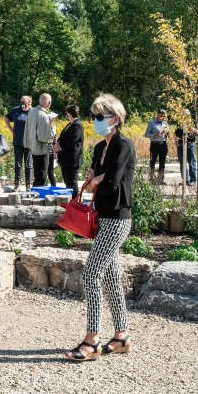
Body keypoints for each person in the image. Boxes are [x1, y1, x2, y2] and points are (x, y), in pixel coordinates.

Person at [65, 94, 136, 361]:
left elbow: (111, 184)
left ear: (115, 118)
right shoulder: (99, 148)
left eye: (98, 116)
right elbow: (96, 178)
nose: (95, 121)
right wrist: (94, 179)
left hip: (117, 218)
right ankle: (122, 336)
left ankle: (92, 339)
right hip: (102, 216)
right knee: (109, 277)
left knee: (91, 274)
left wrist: (98, 180)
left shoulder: (123, 146)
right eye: (94, 116)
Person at [23, 94, 53, 188]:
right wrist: (52, 131)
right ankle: (37, 198)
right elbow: (43, 137)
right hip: (41, 150)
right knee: (42, 177)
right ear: (48, 103)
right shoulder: (43, 115)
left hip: (32, 147)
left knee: (37, 175)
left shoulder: (32, 111)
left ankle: (34, 195)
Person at [54, 105, 84, 198]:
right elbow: (62, 137)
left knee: (72, 182)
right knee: (67, 182)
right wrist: (57, 143)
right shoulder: (69, 124)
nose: (66, 115)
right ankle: (70, 201)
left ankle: (75, 200)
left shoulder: (78, 125)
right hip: (65, 159)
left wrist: (60, 147)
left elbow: (72, 140)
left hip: (72, 159)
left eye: (67, 113)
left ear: (70, 114)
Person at [4, 96, 33, 191]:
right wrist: (10, 128)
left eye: (24, 101)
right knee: (18, 164)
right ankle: (17, 185)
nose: (22, 103)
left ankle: (28, 185)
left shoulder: (32, 112)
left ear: (29, 103)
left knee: (28, 164)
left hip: (28, 142)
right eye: (21, 101)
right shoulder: (16, 110)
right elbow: (6, 118)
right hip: (17, 141)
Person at [144, 108, 169, 185]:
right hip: (155, 144)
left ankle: (160, 179)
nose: (161, 116)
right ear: (157, 114)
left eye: (163, 115)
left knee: (162, 162)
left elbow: (168, 135)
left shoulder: (165, 123)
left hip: (163, 144)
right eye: (160, 114)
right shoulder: (152, 123)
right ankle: (151, 179)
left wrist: (167, 133)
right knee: (153, 162)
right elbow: (146, 134)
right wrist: (155, 135)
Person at [175, 118, 198, 186]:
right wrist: (176, 142)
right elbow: (176, 134)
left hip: (190, 145)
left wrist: (194, 130)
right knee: (182, 163)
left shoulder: (193, 122)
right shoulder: (179, 123)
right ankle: (185, 180)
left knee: (191, 163)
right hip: (181, 145)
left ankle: (193, 180)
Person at [47, 113, 58, 187]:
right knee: (48, 172)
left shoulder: (52, 129)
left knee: (50, 172)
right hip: (46, 152)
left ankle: (53, 186)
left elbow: (54, 143)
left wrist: (55, 154)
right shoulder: (48, 128)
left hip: (49, 152)